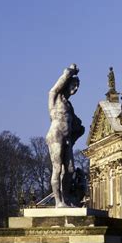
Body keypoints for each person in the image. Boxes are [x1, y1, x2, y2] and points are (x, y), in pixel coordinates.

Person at [46, 64, 85, 207]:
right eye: (74, 85)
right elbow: (53, 89)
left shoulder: (69, 106)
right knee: (57, 168)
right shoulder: (56, 98)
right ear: (67, 84)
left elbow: (77, 126)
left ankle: (67, 198)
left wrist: (79, 130)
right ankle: (58, 201)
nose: (75, 89)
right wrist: (68, 73)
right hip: (56, 135)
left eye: (77, 87)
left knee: (70, 170)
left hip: (67, 138)